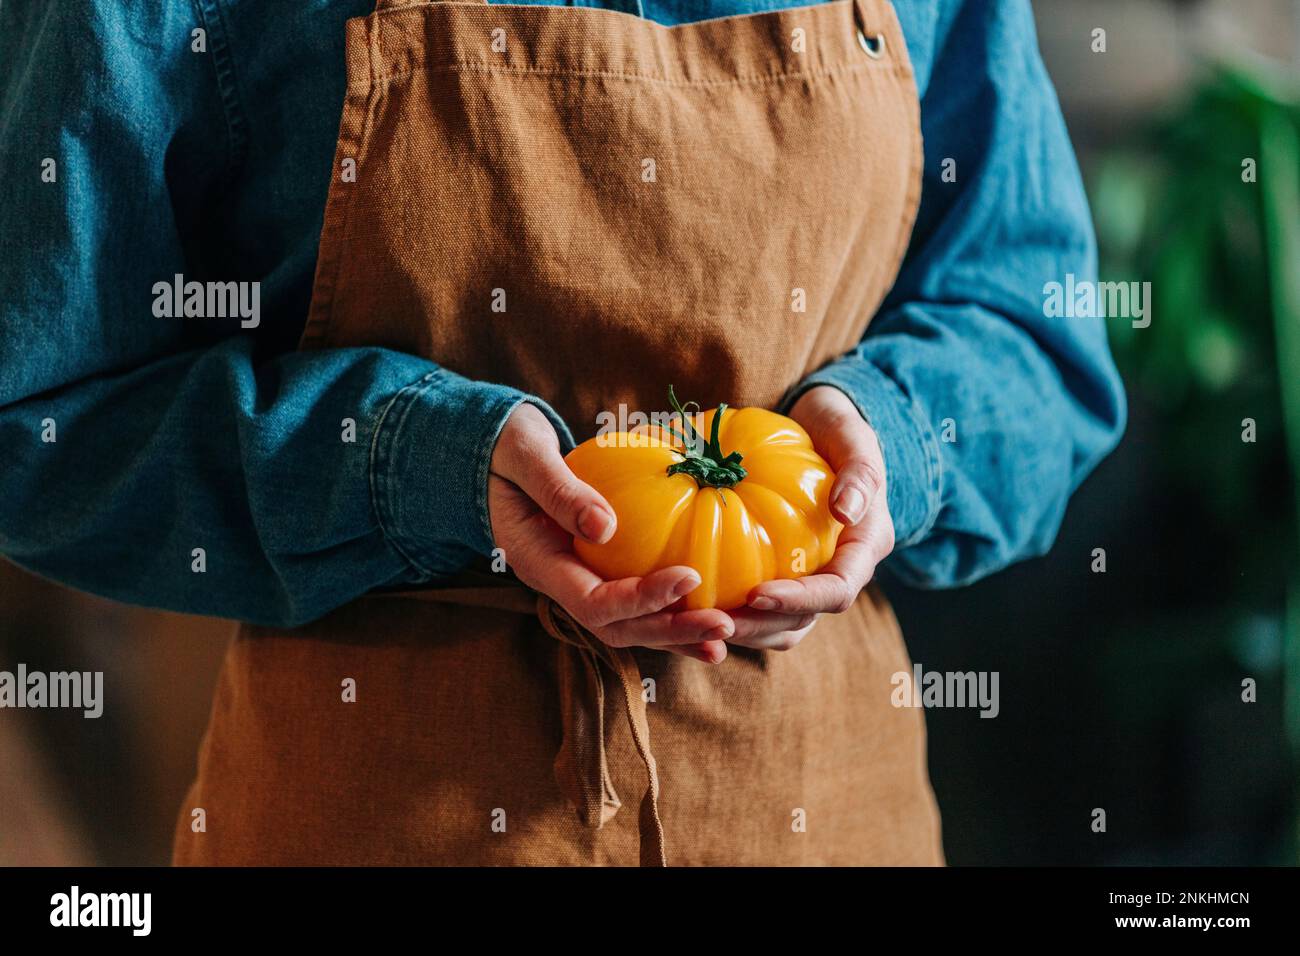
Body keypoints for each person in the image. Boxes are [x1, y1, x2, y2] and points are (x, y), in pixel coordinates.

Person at [0, 0, 1125, 865]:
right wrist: (414, 465)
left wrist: (888, 438)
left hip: (823, 808)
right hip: (377, 817)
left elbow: (1036, 335)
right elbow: (36, 418)